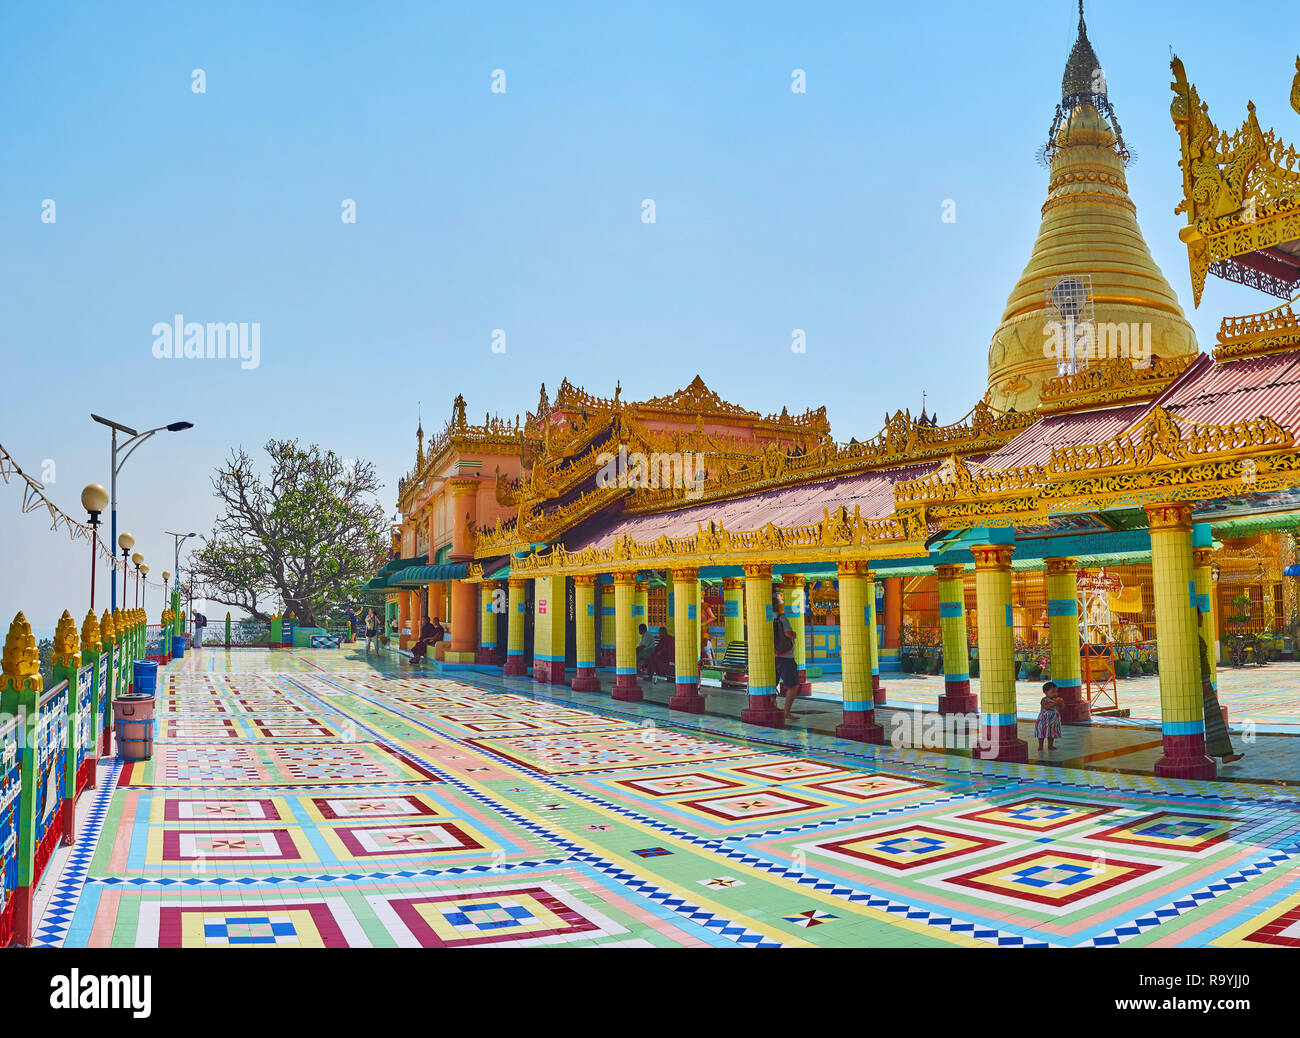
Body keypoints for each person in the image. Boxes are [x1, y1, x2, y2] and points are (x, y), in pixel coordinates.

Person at [773, 591, 799, 720]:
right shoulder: (782, 618)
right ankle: (786, 712)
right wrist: (794, 634)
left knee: (771, 685)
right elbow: (788, 634)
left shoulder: (765, 617)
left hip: (772, 656)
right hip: (785, 656)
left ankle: (772, 707)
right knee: (793, 685)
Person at [1035, 681, 1063, 753]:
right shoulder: (1044, 700)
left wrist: (1061, 703)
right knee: (1042, 732)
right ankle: (1040, 746)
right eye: (1053, 692)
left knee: (1051, 732)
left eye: (1056, 692)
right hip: (1044, 719)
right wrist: (1055, 703)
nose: (1055, 694)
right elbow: (1046, 707)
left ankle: (1050, 745)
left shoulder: (1056, 700)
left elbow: (1062, 708)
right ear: (1045, 692)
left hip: (1053, 720)